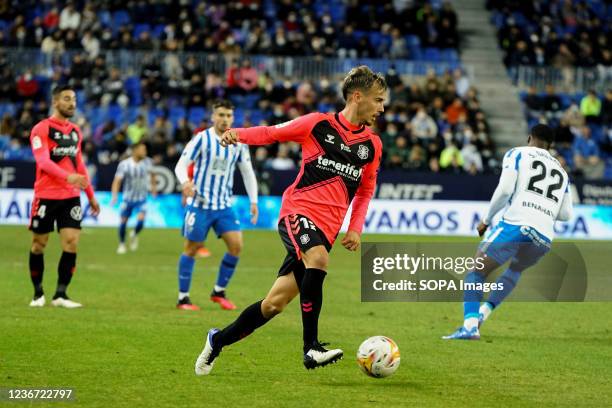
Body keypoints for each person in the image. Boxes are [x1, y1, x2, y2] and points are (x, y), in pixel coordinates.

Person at [194, 66, 386, 375]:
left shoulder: (371, 146)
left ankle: (217, 340)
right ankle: (311, 348)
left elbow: (365, 191)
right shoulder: (317, 124)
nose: (381, 107)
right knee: (319, 259)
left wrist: (355, 228)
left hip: (328, 228)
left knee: (274, 304)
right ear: (357, 96)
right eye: (378, 100)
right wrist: (238, 134)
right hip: (297, 212)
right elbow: (272, 133)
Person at [443, 124, 573, 340]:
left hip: (516, 224)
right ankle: (482, 314)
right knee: (514, 270)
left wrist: (486, 219)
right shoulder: (562, 172)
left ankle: (469, 327)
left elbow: (504, 190)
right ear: (551, 145)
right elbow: (566, 214)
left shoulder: (517, 154)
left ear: (529, 137)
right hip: (544, 236)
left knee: (476, 271)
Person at [174, 99, 259, 311]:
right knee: (191, 248)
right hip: (200, 204)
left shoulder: (238, 142)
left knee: (236, 246)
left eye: (229, 116)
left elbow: (248, 173)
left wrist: (254, 200)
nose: (225, 119)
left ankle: (218, 291)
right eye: (221, 115)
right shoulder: (202, 139)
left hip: (223, 206)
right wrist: (185, 182)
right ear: (213, 117)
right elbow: (181, 165)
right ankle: (183, 298)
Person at [28, 84, 100, 308]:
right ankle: (38, 292)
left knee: (71, 242)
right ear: (55, 102)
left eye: (74, 99)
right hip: (46, 195)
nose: (72, 103)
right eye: (67, 99)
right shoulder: (41, 129)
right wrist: (68, 177)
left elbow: (79, 164)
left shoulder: (76, 131)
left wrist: (90, 195)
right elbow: (43, 161)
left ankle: (60, 294)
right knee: (39, 244)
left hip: (70, 197)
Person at [110, 142, 157, 254]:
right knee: (123, 222)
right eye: (142, 149)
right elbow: (117, 181)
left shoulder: (148, 162)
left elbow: (153, 175)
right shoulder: (124, 164)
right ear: (135, 150)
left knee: (141, 221)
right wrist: (114, 196)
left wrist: (154, 188)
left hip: (142, 198)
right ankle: (122, 244)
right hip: (128, 198)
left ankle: (134, 233)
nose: (145, 152)